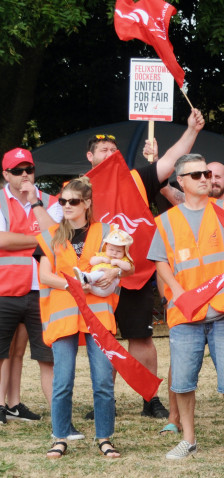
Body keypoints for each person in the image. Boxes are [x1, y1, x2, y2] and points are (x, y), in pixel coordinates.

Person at [84, 109, 205, 419]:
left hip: (134, 273)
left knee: (141, 337)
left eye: (114, 150)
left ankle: (150, 399)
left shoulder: (137, 177)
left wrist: (191, 130)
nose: (110, 154)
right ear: (90, 156)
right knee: (105, 339)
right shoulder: (81, 190)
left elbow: (170, 161)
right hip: (98, 278)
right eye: (103, 150)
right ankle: (103, 400)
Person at [150, 154, 224, 463]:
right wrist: (178, 291)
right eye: (196, 175)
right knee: (181, 381)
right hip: (186, 313)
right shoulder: (166, 220)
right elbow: (159, 260)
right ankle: (188, 439)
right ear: (180, 181)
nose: (204, 179)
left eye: (207, 173)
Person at [35, 178, 121, 458]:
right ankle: (59, 438)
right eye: (63, 201)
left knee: (104, 381)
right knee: (62, 380)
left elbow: (124, 264)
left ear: (87, 204)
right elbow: (44, 276)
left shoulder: (108, 232)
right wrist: (73, 284)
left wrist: (115, 272)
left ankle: (105, 438)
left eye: (73, 201)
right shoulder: (50, 235)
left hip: (98, 317)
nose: (67, 206)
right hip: (63, 317)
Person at [0, 148, 59, 426]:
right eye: (17, 171)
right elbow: (2, 241)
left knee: (26, 352)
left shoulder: (49, 200)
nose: (25, 176)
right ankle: (2, 405)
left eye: (29, 170)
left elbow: (60, 238)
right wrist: (40, 239)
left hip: (42, 290)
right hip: (5, 287)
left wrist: (25, 237)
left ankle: (14, 405)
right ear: (5, 174)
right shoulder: (0, 200)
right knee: (3, 353)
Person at [73, 226, 132, 298]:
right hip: (93, 285)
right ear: (106, 247)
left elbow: (128, 267)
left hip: (107, 287)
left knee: (102, 272)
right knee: (94, 274)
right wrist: (102, 259)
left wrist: (117, 262)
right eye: (111, 250)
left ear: (124, 252)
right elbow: (92, 261)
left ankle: (85, 278)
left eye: (119, 251)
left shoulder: (122, 259)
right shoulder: (103, 255)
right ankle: (76, 282)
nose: (114, 253)